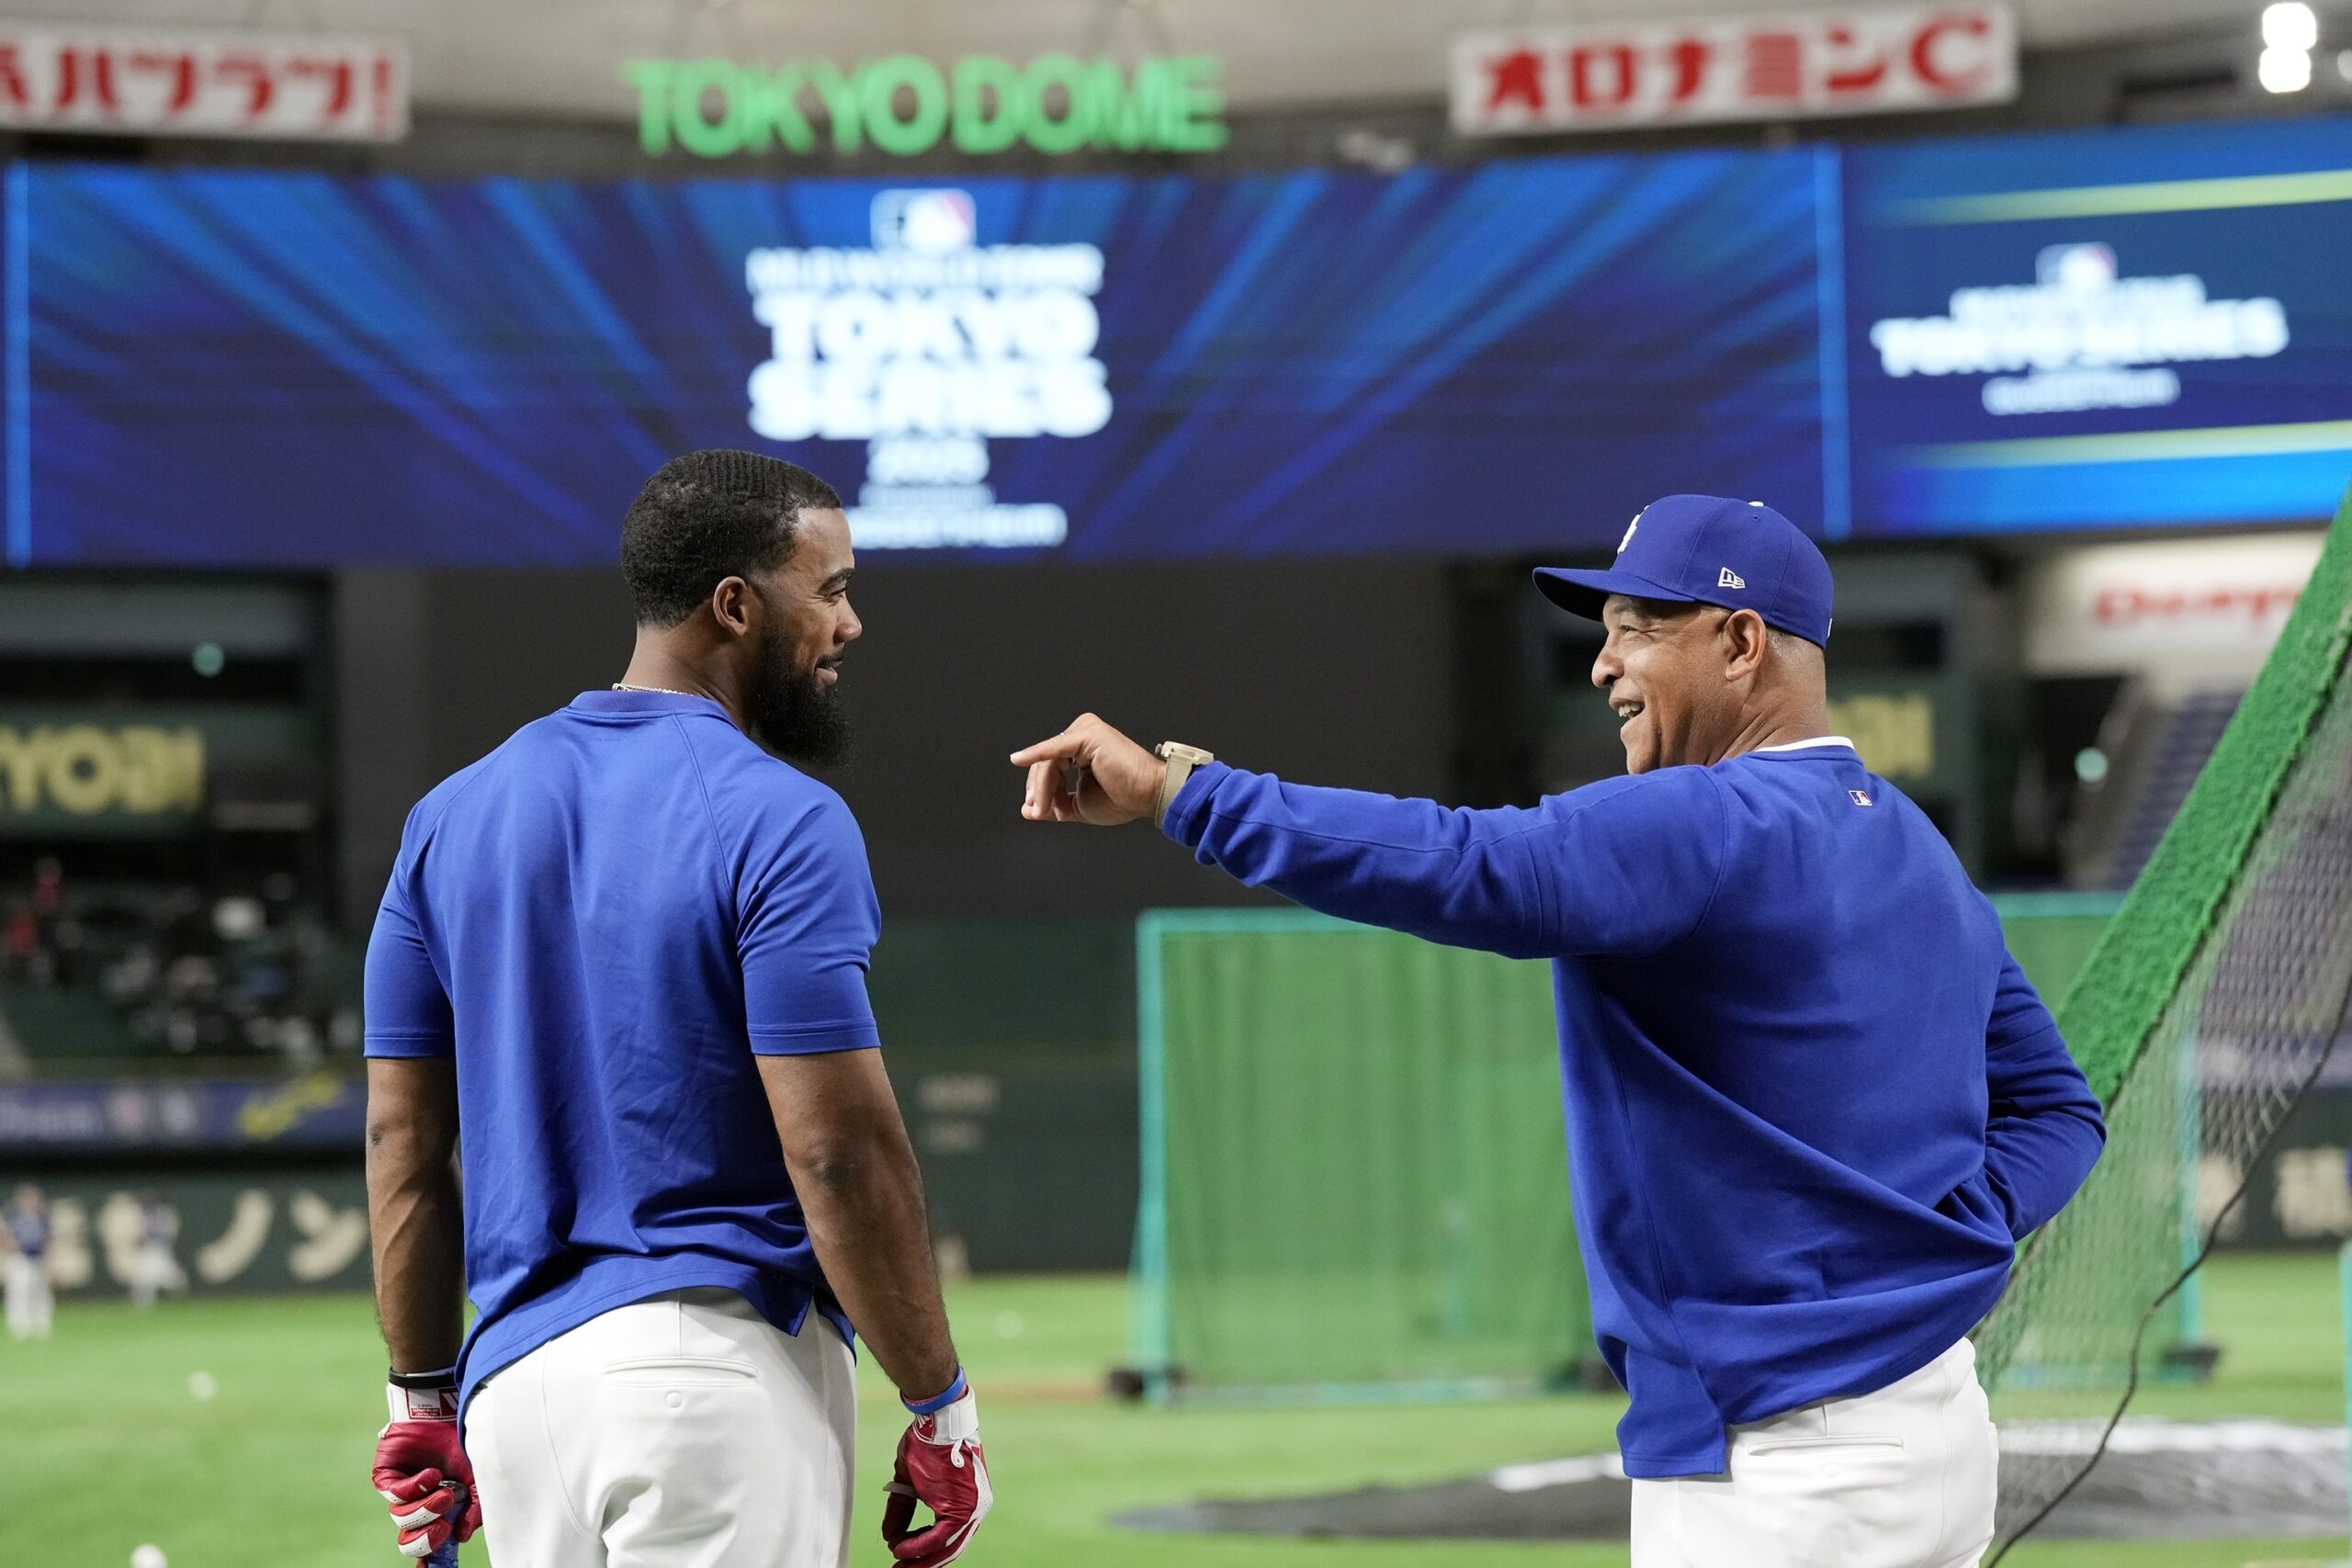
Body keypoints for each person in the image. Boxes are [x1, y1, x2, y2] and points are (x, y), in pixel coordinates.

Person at [1010, 494, 2106, 1568]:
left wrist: (1179, 794)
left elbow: (1462, 862)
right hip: (1936, 1427)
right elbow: (2059, 1110)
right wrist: (1942, 1235)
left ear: (1739, 643)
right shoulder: (1914, 846)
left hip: (1780, 1474)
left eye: (1638, 628)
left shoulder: (1705, 818)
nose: (1603, 662)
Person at [365, 450, 989, 1568]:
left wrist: (421, 1399)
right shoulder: (781, 819)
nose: (849, 626)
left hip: (516, 1403)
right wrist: (937, 1399)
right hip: (714, 1385)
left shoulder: (445, 820)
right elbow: (839, 1150)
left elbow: (402, 1140)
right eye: (833, 590)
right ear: (737, 606)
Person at [5, 1184, 52, 1341]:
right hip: (20, 1259)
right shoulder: (14, 1216)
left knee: (40, 1294)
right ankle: (19, 1327)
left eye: (34, 1197)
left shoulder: (42, 1217)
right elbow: (6, 1237)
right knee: (19, 1293)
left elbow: (47, 1240)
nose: (33, 1201)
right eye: (29, 1197)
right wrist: (10, 1244)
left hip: (38, 1259)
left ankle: (41, 1326)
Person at [128, 1190, 187, 1308]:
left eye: (149, 1200)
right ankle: (142, 1302)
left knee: (171, 1277)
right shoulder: (141, 1213)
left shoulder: (163, 1213)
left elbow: (168, 1232)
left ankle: (182, 1297)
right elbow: (138, 1234)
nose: (147, 1203)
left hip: (160, 1249)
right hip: (149, 1250)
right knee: (145, 1276)